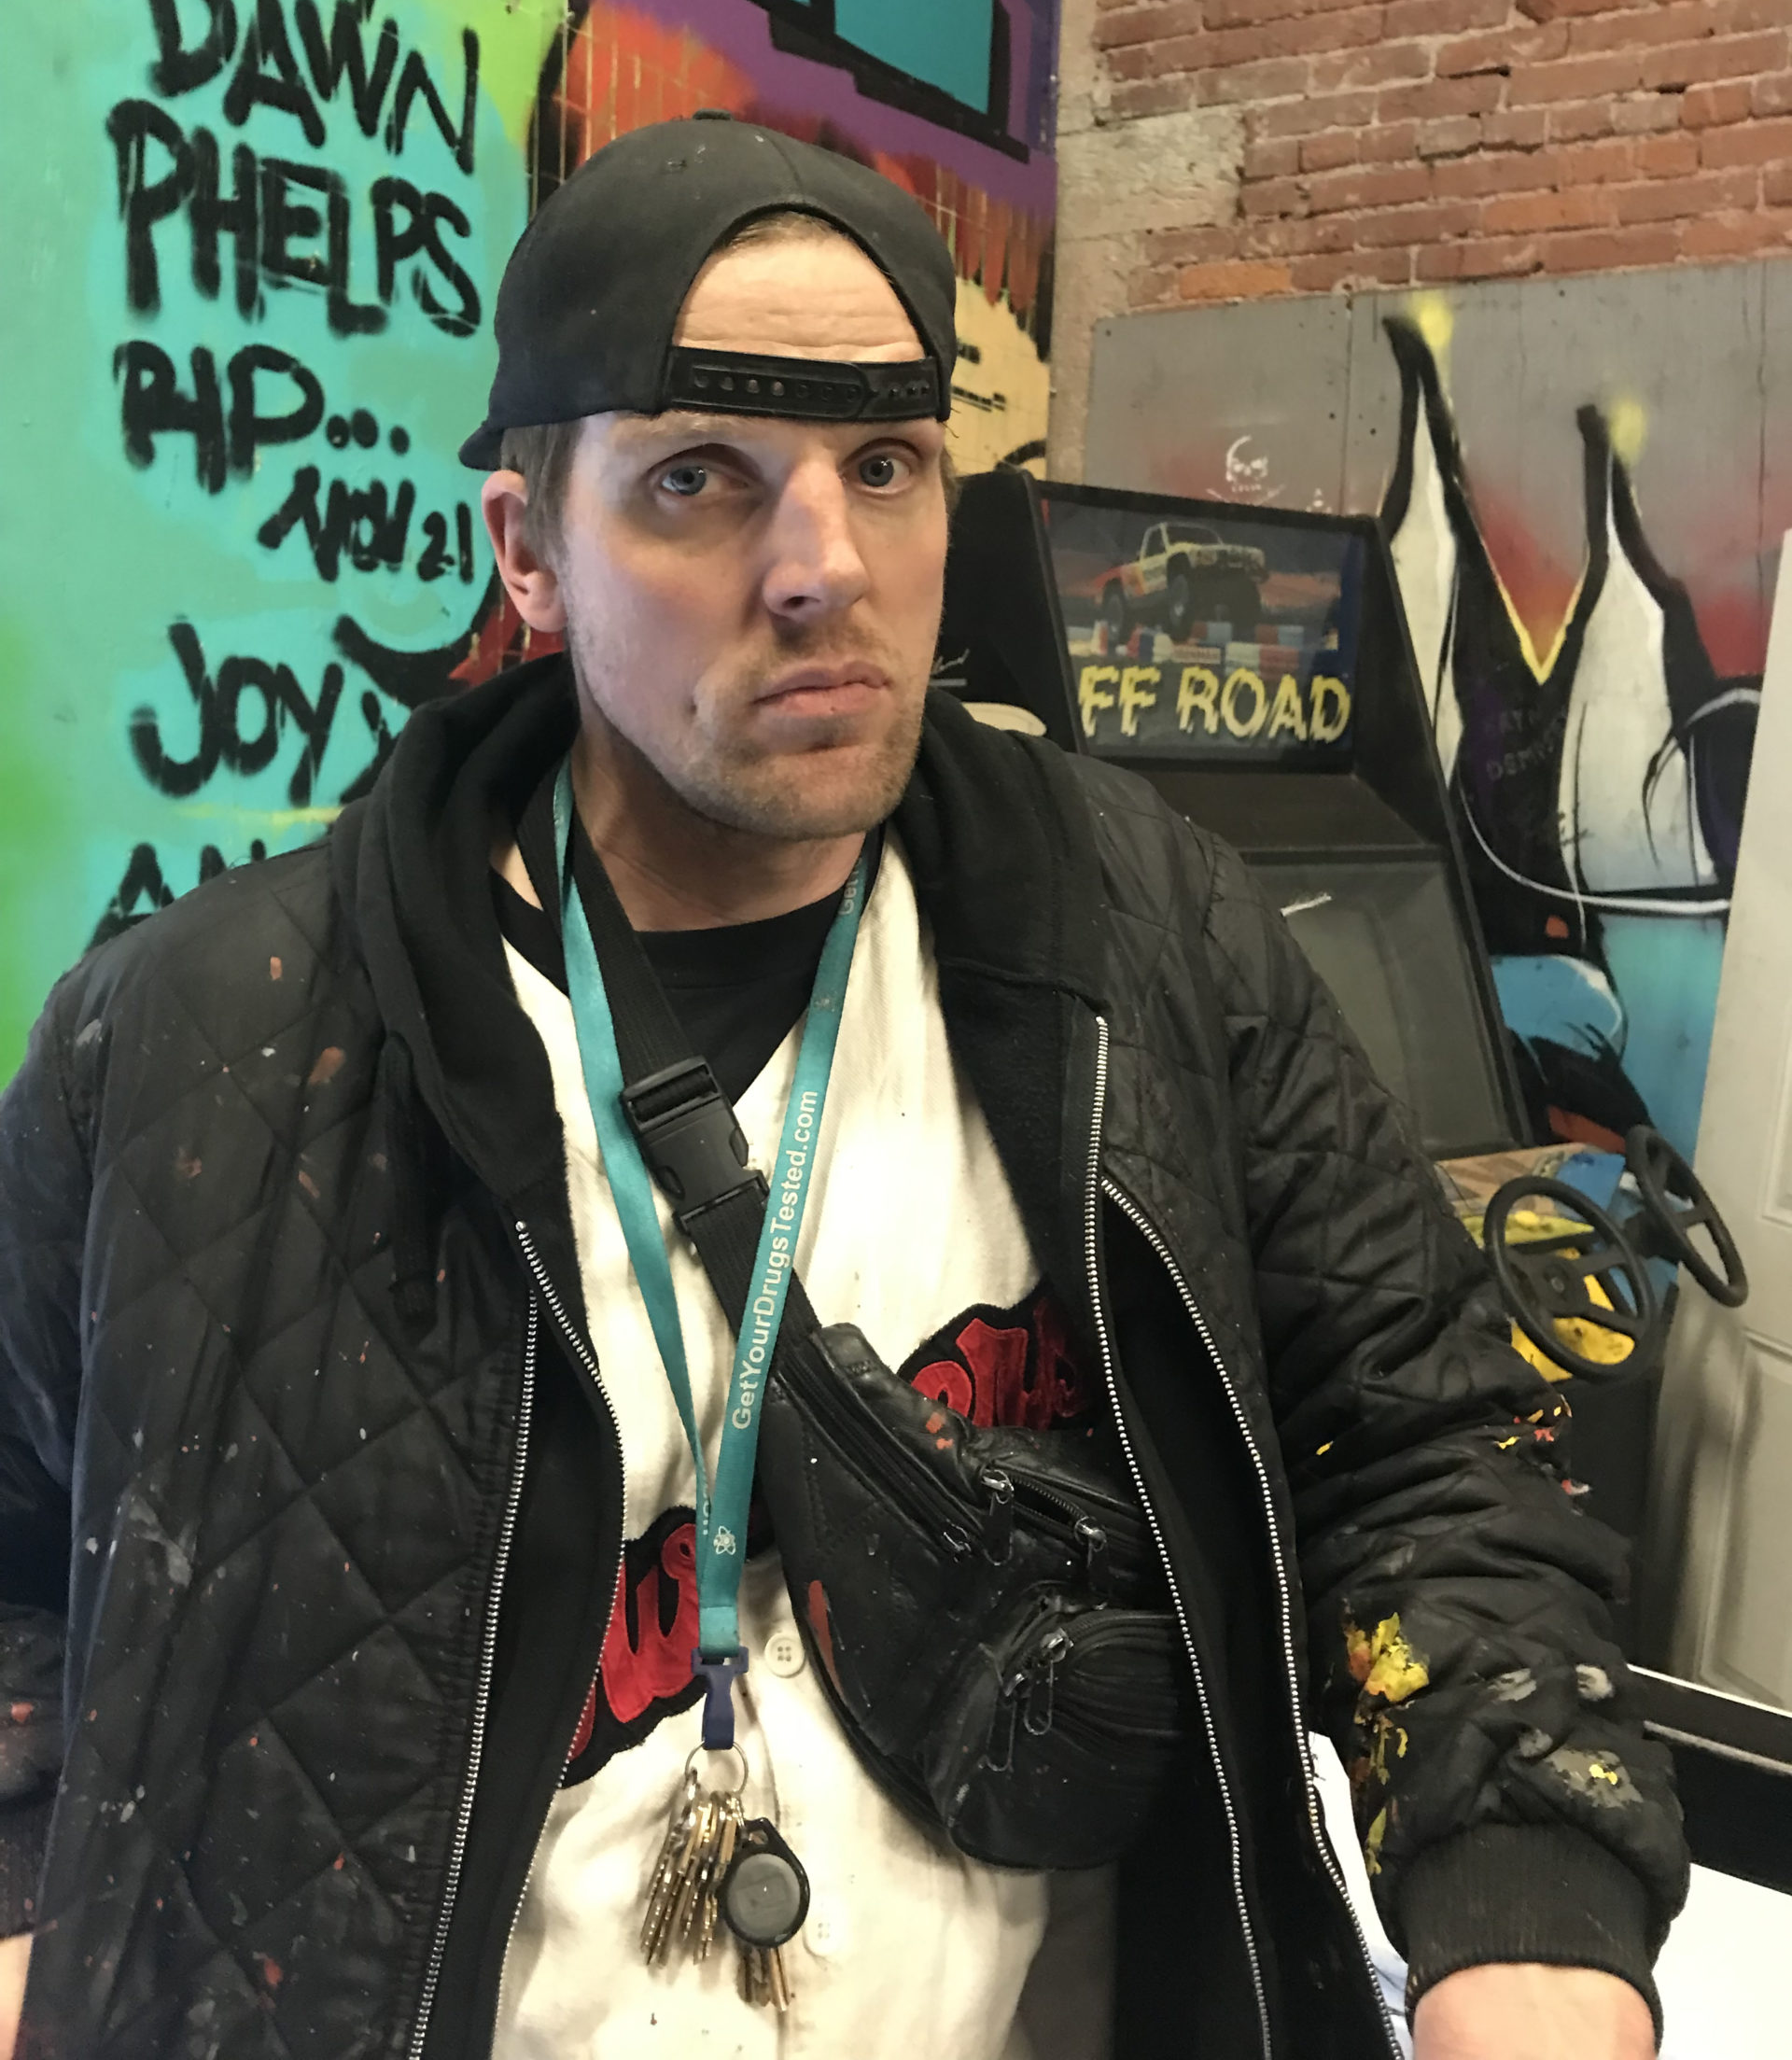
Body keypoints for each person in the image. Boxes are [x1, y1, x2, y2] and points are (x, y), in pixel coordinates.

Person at [0, 116, 1683, 2060]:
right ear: (528, 550)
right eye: (697, 480)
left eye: (884, 465)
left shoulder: (1145, 937)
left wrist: (1525, 1915)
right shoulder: (202, 1045)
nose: (823, 569)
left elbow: (1423, 1453)